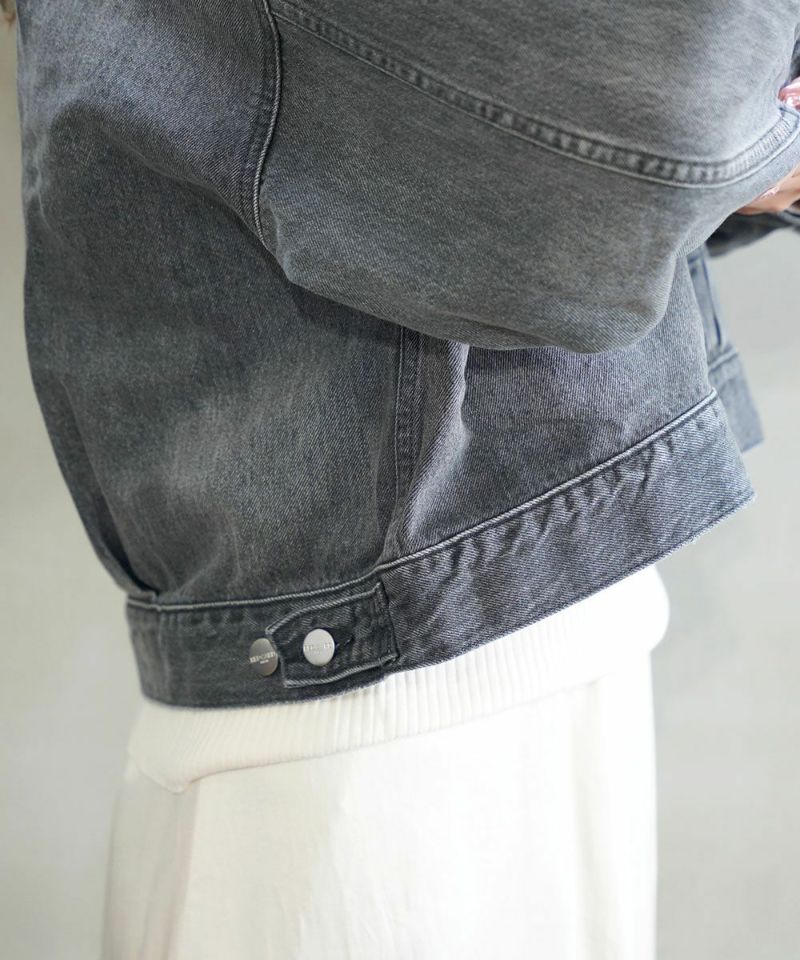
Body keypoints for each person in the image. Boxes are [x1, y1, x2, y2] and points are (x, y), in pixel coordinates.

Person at [8, 1, 800, 956]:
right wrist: (755, 139)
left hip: (414, 666)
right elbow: (670, 105)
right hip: (397, 713)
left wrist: (732, 145)